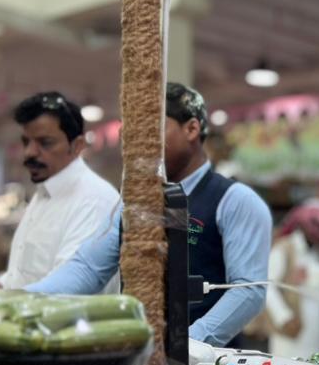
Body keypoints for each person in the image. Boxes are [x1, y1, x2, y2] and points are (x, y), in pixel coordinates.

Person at [29, 83, 272, 347]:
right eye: (134, 132)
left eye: (153, 129)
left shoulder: (235, 201)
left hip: (206, 364)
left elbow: (248, 291)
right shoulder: (135, 203)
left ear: (191, 129)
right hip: (141, 356)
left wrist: (188, 343)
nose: (141, 143)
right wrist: (23, 302)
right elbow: (88, 267)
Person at [1, 92, 119, 290]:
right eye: (26, 142)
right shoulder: (44, 192)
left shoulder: (93, 201)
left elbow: (67, 293)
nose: (29, 152)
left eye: (45, 143)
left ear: (77, 145)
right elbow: (22, 274)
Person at [265, 199, 319, 359]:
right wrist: (284, 317)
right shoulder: (285, 248)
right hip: (290, 332)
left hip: (317, 332)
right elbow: (267, 286)